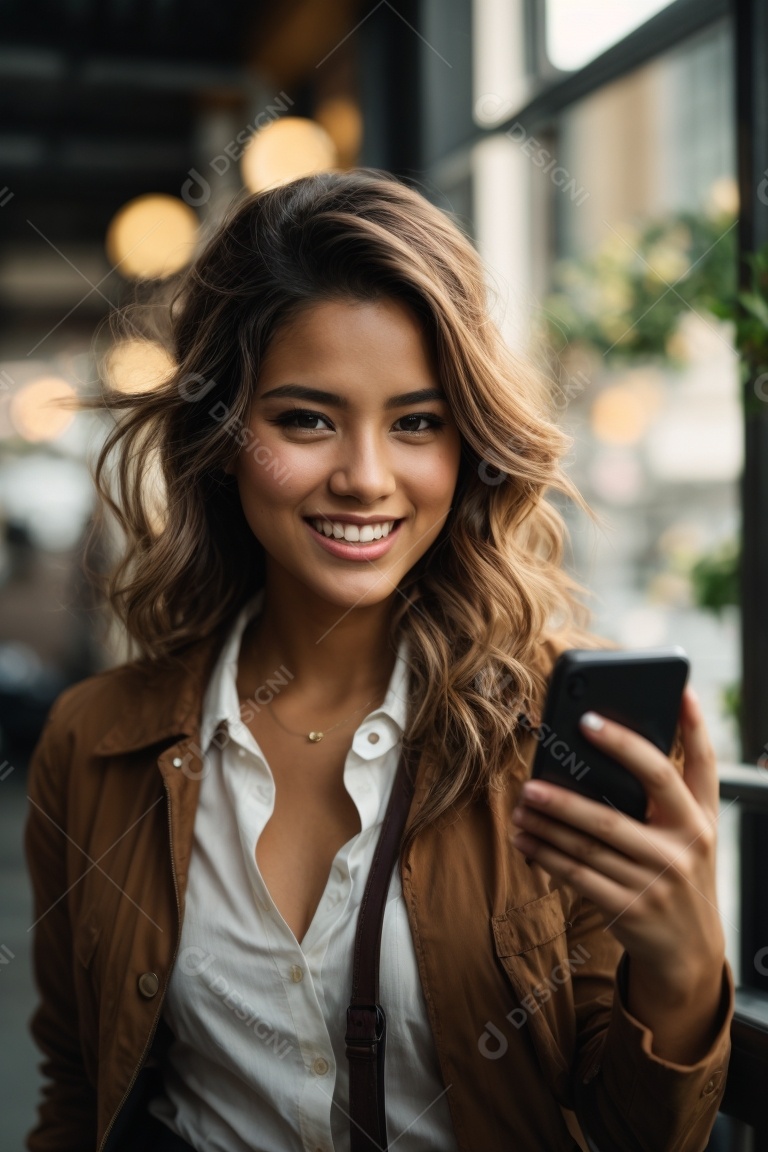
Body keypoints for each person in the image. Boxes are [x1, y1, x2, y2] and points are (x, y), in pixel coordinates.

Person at [24, 169, 733, 1152]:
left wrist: (687, 965)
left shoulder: (550, 737)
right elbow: (77, 1087)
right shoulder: (95, 741)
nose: (365, 477)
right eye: (307, 419)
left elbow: (640, 1136)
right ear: (224, 436)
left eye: (417, 423)